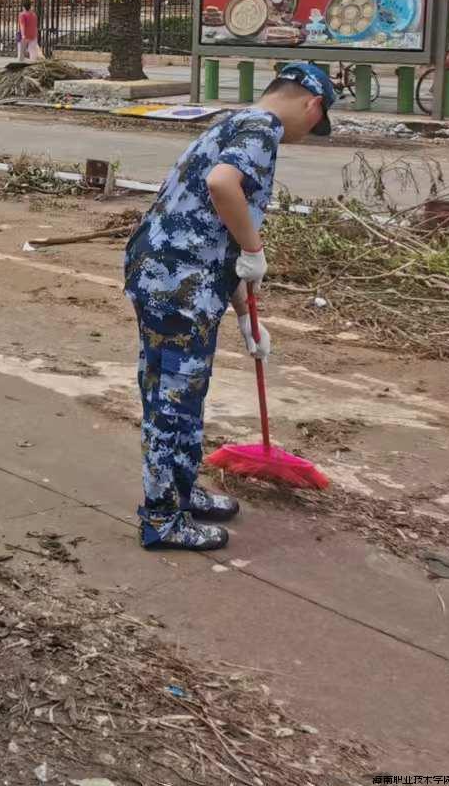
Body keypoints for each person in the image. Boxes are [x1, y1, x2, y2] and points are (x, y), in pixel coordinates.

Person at [123, 62, 335, 552]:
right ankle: (161, 518)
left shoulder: (235, 122)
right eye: (315, 123)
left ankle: (180, 490)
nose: (308, 134)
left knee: (181, 391)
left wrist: (243, 316)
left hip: (171, 277)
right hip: (178, 285)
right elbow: (222, 186)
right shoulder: (263, 128)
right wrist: (255, 248)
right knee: (172, 399)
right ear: (312, 104)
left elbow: (214, 235)